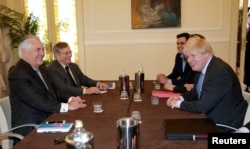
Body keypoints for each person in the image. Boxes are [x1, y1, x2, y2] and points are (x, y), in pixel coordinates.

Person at [8, 35, 86, 143]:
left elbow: (55, 92)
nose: (42, 53)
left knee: (79, 131)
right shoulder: (18, 74)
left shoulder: (42, 70)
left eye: (43, 49)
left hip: (49, 119)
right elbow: (36, 101)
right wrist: (67, 106)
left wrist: (71, 99)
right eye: (38, 50)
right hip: (31, 129)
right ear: (24, 52)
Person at [166, 34, 249, 132]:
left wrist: (178, 103)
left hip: (225, 124)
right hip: (210, 118)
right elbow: (195, 93)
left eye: (193, 55)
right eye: (187, 57)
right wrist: (180, 97)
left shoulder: (219, 71)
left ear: (206, 53)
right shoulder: (203, 69)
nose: (189, 60)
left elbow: (203, 106)